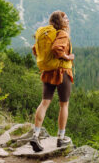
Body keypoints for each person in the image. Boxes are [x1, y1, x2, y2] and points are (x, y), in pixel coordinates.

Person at [30, 11, 75, 152]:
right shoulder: (62, 33)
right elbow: (57, 48)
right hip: (62, 72)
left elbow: (35, 50)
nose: (67, 20)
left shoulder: (46, 34)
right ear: (60, 21)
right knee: (64, 105)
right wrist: (67, 57)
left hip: (48, 72)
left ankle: (35, 134)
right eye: (65, 18)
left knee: (44, 103)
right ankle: (61, 138)